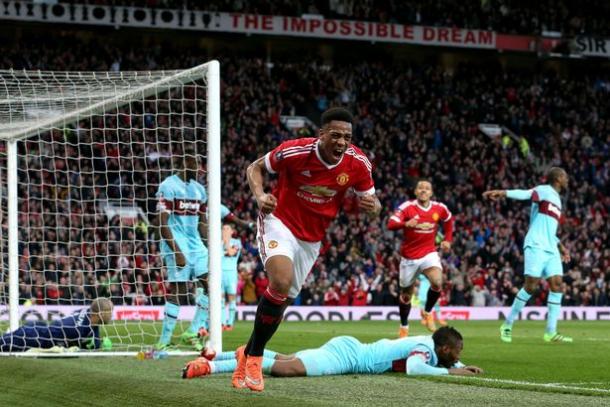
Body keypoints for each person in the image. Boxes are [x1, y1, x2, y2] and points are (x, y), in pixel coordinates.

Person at [237, 107, 381, 391]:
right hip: (279, 220)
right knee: (280, 281)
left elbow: (374, 204)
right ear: (322, 134)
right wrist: (260, 195)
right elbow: (253, 167)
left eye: (347, 137)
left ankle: (248, 350)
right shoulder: (294, 152)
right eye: (336, 135)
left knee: (283, 301)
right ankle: (255, 357)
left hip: (312, 238)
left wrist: (372, 208)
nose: (341, 142)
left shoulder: (358, 164)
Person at [182, 326, 482, 379]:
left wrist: (463, 365)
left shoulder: (431, 343)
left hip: (350, 348)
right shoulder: (424, 350)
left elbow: (446, 358)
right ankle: (214, 368)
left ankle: (217, 356)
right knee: (288, 370)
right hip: (349, 359)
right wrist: (452, 370)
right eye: (455, 353)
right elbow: (417, 368)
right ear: (442, 348)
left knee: (286, 359)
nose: (457, 357)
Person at [483, 167, 572, 343]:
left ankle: (550, 332)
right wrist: (502, 193)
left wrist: (561, 247)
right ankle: (507, 324)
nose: (567, 180)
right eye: (565, 177)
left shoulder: (558, 200)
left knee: (557, 284)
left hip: (551, 246)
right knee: (531, 286)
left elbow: (550, 230)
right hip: (536, 244)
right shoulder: (544, 190)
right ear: (558, 178)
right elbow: (525, 194)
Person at [155, 147, 209, 351]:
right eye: (194, 162)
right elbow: (161, 223)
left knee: (211, 285)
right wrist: (176, 251)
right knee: (178, 290)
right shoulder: (168, 186)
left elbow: (202, 222)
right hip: (177, 244)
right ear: (184, 162)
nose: (198, 166)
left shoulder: (199, 189)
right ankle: (164, 340)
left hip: (196, 245)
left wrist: (209, 243)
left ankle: (192, 331)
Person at [387, 180, 453, 338]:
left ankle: (428, 312)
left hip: (429, 253)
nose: (424, 190)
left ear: (431, 193)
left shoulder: (439, 208)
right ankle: (404, 326)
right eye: (420, 188)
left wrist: (447, 240)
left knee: (437, 282)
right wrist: (405, 224)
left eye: (427, 188)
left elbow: (449, 221)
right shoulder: (407, 207)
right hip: (409, 258)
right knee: (406, 296)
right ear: (416, 192)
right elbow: (391, 223)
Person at [0, 298, 113, 352]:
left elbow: (94, 329)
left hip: (37, 329)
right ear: (100, 313)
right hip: (31, 338)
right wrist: (99, 348)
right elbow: (77, 351)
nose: (111, 315)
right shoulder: (78, 330)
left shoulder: (88, 312)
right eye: (110, 312)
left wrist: (99, 342)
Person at [221, 223, 242, 330]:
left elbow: (231, 253)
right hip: (219, 273)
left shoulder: (237, 242)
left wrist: (226, 241)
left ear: (232, 231)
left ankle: (230, 323)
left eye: (227, 228)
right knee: (220, 299)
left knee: (231, 298)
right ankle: (223, 322)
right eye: (223, 228)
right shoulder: (216, 243)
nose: (224, 230)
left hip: (231, 273)